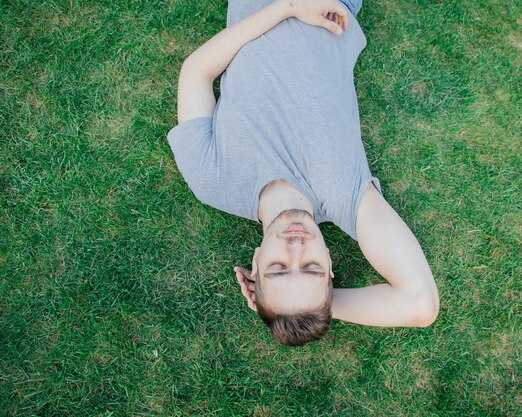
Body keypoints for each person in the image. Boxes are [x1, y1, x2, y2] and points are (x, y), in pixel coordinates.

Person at [167, 0, 439, 346]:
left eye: (278, 267)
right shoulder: (346, 198)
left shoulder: (212, 180)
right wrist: (320, 303)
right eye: (310, 268)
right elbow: (420, 305)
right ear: (329, 266)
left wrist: (288, 8)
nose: (296, 246)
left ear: (255, 261)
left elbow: (196, 73)